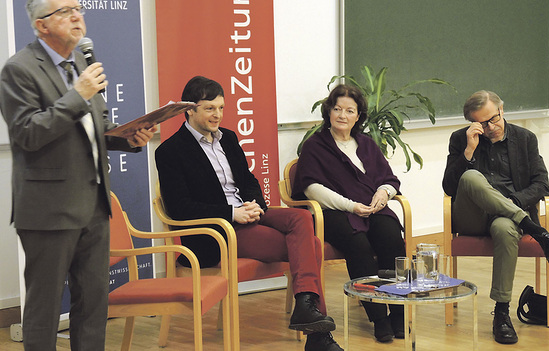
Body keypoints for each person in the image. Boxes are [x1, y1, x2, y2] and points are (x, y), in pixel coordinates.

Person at [0, 0, 157, 350]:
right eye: (65, 10)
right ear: (42, 25)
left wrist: (129, 138)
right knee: (44, 310)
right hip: (48, 211)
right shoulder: (19, 69)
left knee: (93, 306)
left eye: (78, 7)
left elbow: (95, 128)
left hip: (94, 206)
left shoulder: (82, 62)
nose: (76, 15)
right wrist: (78, 94)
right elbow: (28, 134)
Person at [154, 76, 343, 351]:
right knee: (312, 245)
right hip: (217, 230)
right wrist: (232, 213)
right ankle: (318, 335)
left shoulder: (227, 138)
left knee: (302, 217)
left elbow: (248, 179)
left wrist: (255, 203)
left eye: (220, 107)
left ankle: (306, 308)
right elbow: (181, 208)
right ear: (190, 110)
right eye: (209, 108)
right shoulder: (170, 151)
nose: (217, 114)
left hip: (247, 213)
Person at [442, 90, 549, 345]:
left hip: (508, 216)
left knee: (505, 228)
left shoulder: (525, 139)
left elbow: (542, 184)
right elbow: (450, 188)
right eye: (482, 123)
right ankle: (535, 229)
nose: (490, 128)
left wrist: (515, 202)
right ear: (473, 123)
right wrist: (469, 151)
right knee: (472, 177)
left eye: (493, 119)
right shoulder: (461, 139)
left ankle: (501, 313)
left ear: (502, 109)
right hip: (472, 217)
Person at [292, 84, 406, 343]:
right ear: (328, 112)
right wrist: (350, 205)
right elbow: (311, 188)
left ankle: (398, 312)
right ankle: (379, 317)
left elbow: (389, 179)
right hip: (334, 212)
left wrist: (384, 193)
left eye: (349, 111)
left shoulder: (366, 144)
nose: (342, 115)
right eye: (337, 109)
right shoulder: (315, 146)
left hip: (371, 208)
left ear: (358, 116)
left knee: (391, 236)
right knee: (358, 243)